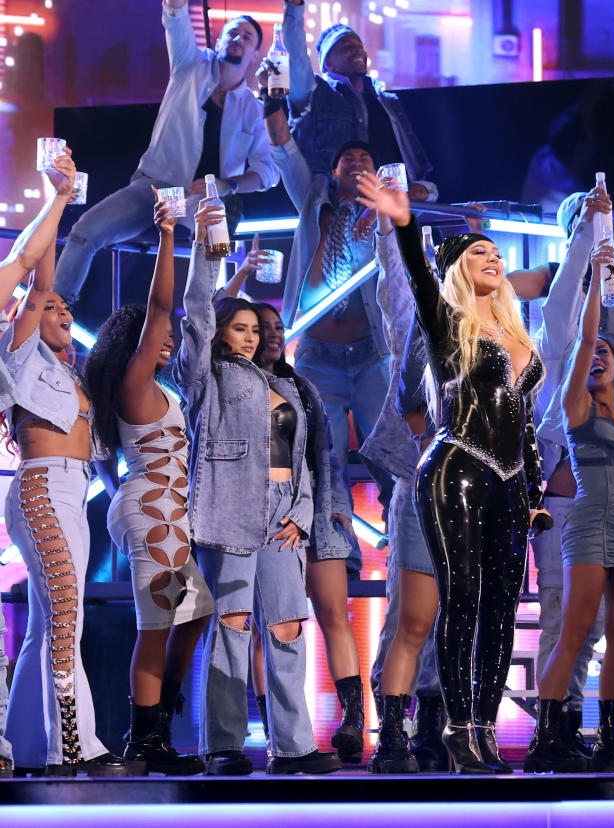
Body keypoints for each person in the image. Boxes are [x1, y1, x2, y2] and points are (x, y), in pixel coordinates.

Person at [357, 174, 546, 775]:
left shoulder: (518, 335)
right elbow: (416, 273)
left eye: (495, 252)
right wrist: (405, 223)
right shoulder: (448, 326)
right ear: (460, 270)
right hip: (456, 467)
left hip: (511, 481)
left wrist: (534, 490)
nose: (490, 256)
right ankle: (458, 730)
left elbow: (528, 424)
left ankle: (486, 729)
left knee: (502, 607)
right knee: (461, 599)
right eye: (477, 252)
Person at [173, 200, 340, 776]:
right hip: (230, 512)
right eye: (238, 328)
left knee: (289, 626)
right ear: (220, 334)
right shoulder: (207, 377)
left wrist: (304, 514)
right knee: (233, 624)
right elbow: (194, 313)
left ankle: (293, 746)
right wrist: (204, 249)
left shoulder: (285, 388)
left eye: (254, 330)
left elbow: (303, 461)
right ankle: (222, 745)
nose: (248, 338)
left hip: (283, 515)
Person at [0, 150, 128, 777]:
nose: (61, 312)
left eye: (66, 311)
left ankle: (24, 747)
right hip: (41, 490)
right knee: (65, 622)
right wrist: (58, 199)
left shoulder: (65, 371)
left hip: (73, 496)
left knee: (52, 623)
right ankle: (72, 749)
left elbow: (45, 282)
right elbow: (35, 281)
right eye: (49, 310)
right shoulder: (17, 352)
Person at [83, 190, 214, 776]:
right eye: (156, 334)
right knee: (158, 624)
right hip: (157, 511)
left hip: (160, 508)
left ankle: (159, 714)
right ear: (135, 344)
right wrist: (168, 234)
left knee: (195, 613)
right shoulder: (137, 384)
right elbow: (162, 305)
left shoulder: (156, 390)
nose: (166, 337)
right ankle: (147, 737)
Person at [524, 238, 614, 774]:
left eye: (609, 352)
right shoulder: (574, 404)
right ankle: (547, 736)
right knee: (576, 631)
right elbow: (585, 337)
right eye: (594, 353)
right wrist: (597, 278)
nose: (600, 355)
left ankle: (609, 739)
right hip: (587, 524)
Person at [52, 1, 277, 307]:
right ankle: (55, 313)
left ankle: (208, 316)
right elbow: (175, 18)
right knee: (82, 232)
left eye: (247, 36)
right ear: (219, 39)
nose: (238, 38)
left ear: (255, 56)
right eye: (232, 32)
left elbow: (268, 172)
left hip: (203, 198)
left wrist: (229, 184)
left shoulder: (253, 109)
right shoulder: (189, 65)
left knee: (217, 228)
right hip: (155, 187)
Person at [263, 88, 391, 579]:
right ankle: (344, 556)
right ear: (334, 172)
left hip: (369, 356)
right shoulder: (312, 201)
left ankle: (402, 541)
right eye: (348, 159)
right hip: (316, 356)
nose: (357, 162)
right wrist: (273, 105)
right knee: (325, 457)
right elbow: (282, 148)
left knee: (390, 452)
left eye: (366, 158)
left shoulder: (380, 215)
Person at [361, 185, 442, 775]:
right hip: (421, 481)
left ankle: (436, 727)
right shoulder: (421, 322)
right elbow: (400, 287)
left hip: (473, 494)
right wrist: (395, 231)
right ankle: (392, 731)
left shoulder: (491, 331)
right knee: (408, 615)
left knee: (449, 615)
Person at [281, 0, 436, 196]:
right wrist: (295, 7)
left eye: (359, 46)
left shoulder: (388, 101)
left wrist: (422, 189)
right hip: (337, 205)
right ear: (328, 64)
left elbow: (407, 157)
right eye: (346, 46)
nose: (357, 50)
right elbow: (295, 57)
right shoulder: (315, 93)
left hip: (393, 205)